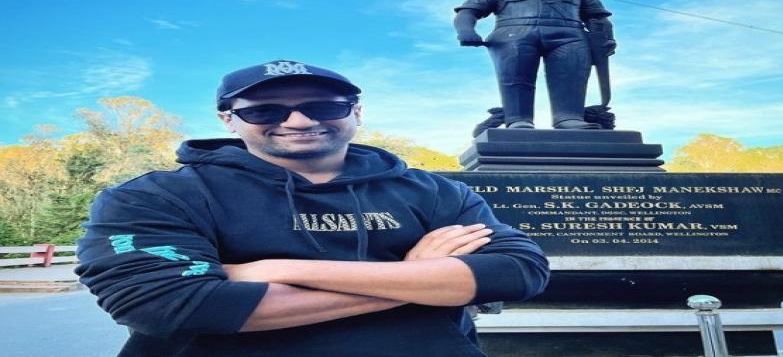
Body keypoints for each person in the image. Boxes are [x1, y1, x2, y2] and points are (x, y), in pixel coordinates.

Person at [75, 59, 550, 356]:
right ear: (229, 119)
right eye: (264, 111)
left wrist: (274, 268)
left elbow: (516, 270)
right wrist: (419, 279)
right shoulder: (153, 196)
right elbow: (167, 304)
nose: (298, 121)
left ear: (356, 113)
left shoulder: (433, 191)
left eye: (324, 107)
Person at [454, 0, 616, 130]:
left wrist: (606, 39)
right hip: (513, 35)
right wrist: (466, 31)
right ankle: (518, 119)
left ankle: (569, 118)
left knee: (571, 76)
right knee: (515, 77)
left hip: (569, 36)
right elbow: (467, 12)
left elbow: (599, 19)